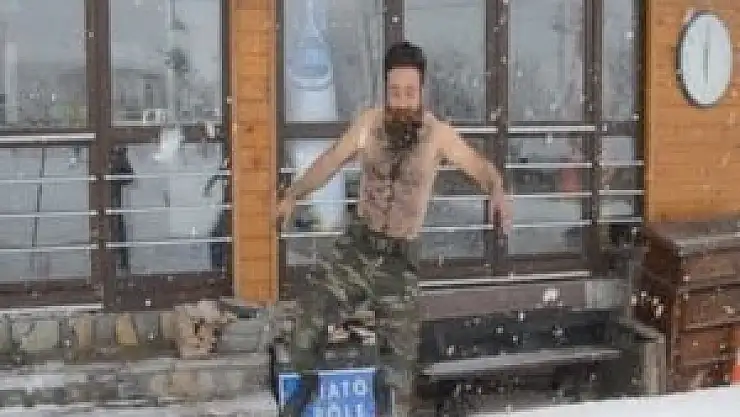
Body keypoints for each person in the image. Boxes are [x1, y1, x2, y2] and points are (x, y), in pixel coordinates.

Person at [275, 41, 512, 417]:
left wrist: (497, 190)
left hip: (400, 261)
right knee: (309, 318)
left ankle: (386, 405)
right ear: (385, 90)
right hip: (359, 248)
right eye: (395, 92)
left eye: (409, 93)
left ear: (421, 92)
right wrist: (293, 194)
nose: (401, 101)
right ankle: (307, 381)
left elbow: (480, 168)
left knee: (397, 373)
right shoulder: (368, 125)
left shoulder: (438, 136)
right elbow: (329, 162)